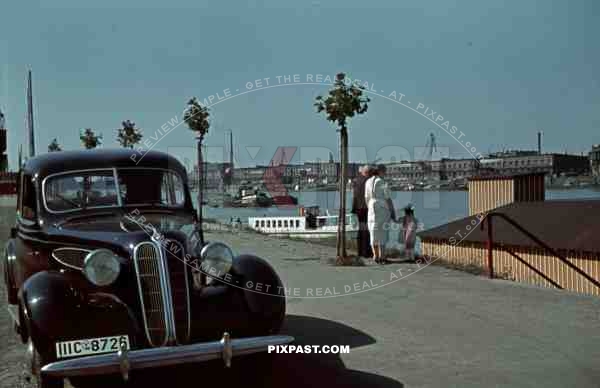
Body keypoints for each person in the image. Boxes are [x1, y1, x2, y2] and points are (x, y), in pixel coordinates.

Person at [365, 164, 396, 264]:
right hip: (382, 208)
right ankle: (382, 256)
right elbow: (388, 198)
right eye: (385, 171)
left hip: (371, 207)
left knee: (373, 231)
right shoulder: (382, 182)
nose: (385, 173)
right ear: (381, 171)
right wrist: (392, 212)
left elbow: (366, 197)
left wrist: (369, 206)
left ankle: (375, 255)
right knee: (382, 231)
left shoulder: (368, 182)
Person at [351, 165, 373, 258]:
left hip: (358, 208)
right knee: (366, 231)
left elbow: (355, 195)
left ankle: (360, 251)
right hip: (365, 208)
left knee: (361, 230)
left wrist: (354, 208)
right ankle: (366, 251)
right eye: (370, 173)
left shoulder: (356, 180)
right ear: (367, 172)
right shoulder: (367, 181)